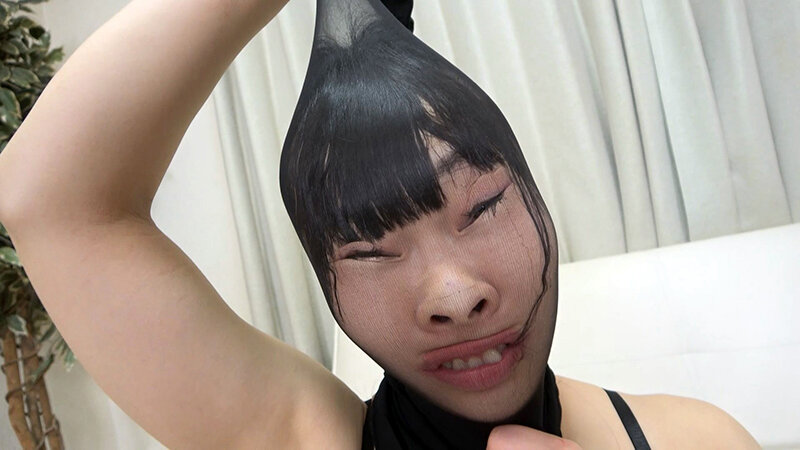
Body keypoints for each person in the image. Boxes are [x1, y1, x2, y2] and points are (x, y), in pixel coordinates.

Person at [0, 0, 761, 448]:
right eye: (370, 253)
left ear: (534, 195)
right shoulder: (298, 436)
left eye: (482, 209)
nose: (454, 296)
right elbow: (51, 199)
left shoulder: (695, 438)